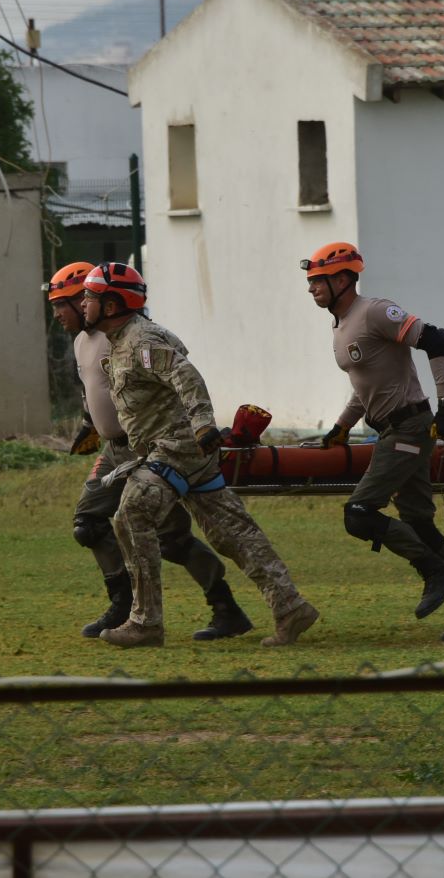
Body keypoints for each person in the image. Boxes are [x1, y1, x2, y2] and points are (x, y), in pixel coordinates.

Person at [82, 262, 319, 649]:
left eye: (89, 297)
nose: (83, 303)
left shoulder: (140, 340)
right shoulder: (122, 340)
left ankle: (145, 622)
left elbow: (184, 374)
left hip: (175, 448)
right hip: (186, 451)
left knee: (132, 514)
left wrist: (204, 423)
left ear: (111, 305)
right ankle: (290, 607)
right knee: (232, 532)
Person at [306, 241, 444, 642]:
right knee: (420, 525)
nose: (312, 288)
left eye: (318, 280)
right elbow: (366, 387)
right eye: (310, 282)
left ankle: (435, 571)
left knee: (359, 513)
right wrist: (341, 428)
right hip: (393, 430)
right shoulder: (341, 325)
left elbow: (438, 340)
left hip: (409, 429)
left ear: (343, 280)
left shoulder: (375, 312)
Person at [45, 262, 252, 642]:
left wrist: (197, 425)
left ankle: (226, 608)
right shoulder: (81, 343)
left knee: (172, 538)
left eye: (62, 304)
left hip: (147, 450)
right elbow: (93, 389)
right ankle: (122, 604)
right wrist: (89, 425)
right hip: (113, 451)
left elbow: (175, 374)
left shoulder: (124, 335)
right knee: (87, 524)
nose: (57, 313)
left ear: (86, 299)